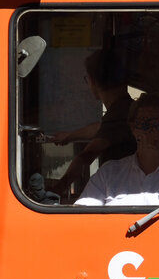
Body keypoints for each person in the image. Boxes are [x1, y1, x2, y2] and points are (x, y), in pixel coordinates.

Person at [54, 50, 136, 192]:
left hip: (122, 189)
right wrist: (69, 136)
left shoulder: (119, 113)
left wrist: (61, 185)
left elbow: (87, 155)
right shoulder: (124, 109)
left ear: (92, 81)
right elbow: (101, 129)